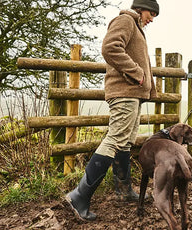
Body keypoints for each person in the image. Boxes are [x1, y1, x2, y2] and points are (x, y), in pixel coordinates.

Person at [65, 0, 159, 221]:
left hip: (133, 94)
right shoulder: (125, 20)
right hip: (124, 92)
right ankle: (79, 196)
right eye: (151, 13)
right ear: (140, 8)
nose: (152, 19)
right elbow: (110, 48)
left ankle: (123, 191)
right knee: (115, 139)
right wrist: (136, 72)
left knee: (125, 141)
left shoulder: (135, 27)